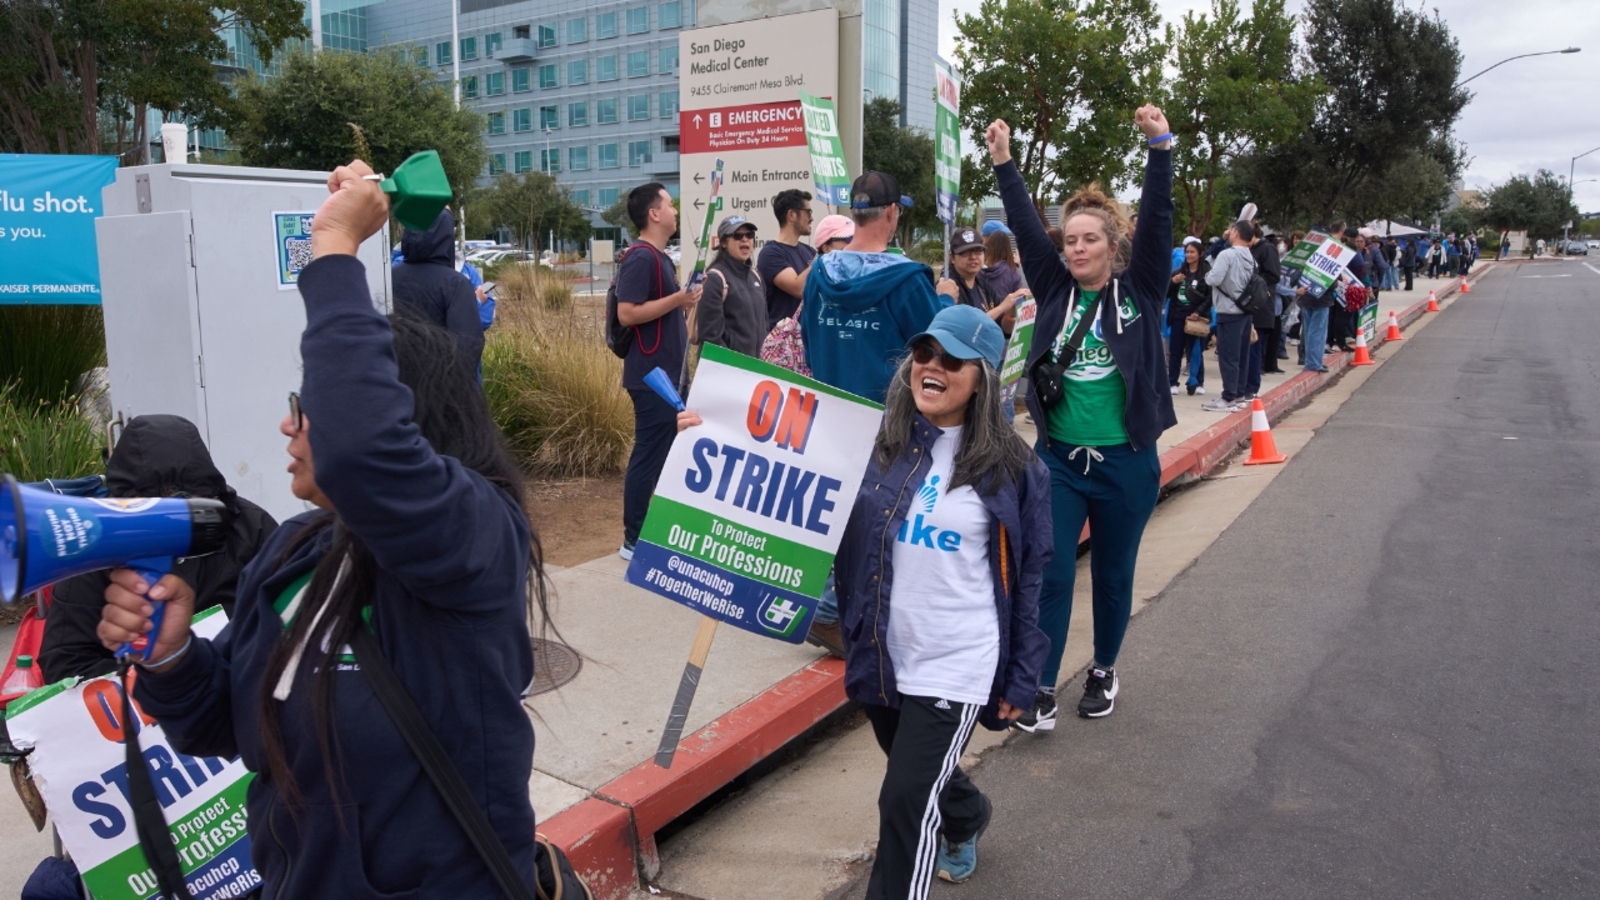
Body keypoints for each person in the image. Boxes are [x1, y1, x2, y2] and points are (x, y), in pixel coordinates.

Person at [97, 159, 549, 899]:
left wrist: (335, 249)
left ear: (404, 417)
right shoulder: (291, 550)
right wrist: (175, 657)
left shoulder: (475, 539)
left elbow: (361, 448)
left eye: (306, 407)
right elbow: (233, 725)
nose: (289, 425)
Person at [832, 305, 1051, 894]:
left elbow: (1031, 576)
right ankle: (966, 813)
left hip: (957, 661)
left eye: (951, 360)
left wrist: (1024, 672)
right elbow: (787, 479)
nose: (932, 367)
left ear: (981, 377)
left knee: (903, 802)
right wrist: (711, 432)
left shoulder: (1015, 467)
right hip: (883, 652)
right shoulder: (876, 443)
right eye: (924, 354)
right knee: (916, 772)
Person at [987, 106, 1177, 726]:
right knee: (1050, 573)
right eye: (1069, 239)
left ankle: (1103, 668)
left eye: (1088, 238)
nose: (1075, 248)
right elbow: (1022, 221)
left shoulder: (1141, 288)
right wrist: (1003, 162)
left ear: (1111, 245)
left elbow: (1157, 222)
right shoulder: (1055, 288)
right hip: (1060, 463)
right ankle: (1041, 683)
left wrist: (1160, 148)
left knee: (1115, 575)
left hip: (1126, 464)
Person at [39, 415, 277, 682]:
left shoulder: (251, 528)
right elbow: (65, 662)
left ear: (212, 496)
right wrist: (156, 676)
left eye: (191, 511)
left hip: (239, 694)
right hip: (132, 712)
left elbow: (290, 626)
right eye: (158, 515)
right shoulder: (95, 542)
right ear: (129, 508)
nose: (176, 527)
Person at [800, 171, 949, 406]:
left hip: (828, 419)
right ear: (891, 211)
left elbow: (809, 352)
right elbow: (938, 349)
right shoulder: (908, 280)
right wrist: (947, 300)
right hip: (888, 421)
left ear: (853, 213)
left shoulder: (818, 275)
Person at [616, 182, 701, 560]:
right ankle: (633, 538)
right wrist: (677, 299)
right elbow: (627, 313)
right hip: (652, 376)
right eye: (669, 204)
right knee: (649, 454)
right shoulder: (641, 258)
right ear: (654, 214)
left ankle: (650, 530)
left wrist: (685, 303)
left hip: (667, 374)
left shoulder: (660, 257)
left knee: (664, 454)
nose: (675, 210)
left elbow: (662, 312)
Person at [392, 208, 484, 370]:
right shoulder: (455, 283)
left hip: (395, 381)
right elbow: (468, 345)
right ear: (446, 236)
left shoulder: (389, 277)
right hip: (439, 384)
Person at [1203, 220, 1260, 411]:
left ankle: (1228, 397)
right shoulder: (1251, 258)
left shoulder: (1227, 255)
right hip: (1245, 312)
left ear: (1235, 232)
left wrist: (1208, 276)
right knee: (1242, 355)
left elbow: (1214, 278)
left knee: (1228, 356)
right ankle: (1239, 394)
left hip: (1228, 311)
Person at [694, 216, 767, 357]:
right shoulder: (714, 279)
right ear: (723, 243)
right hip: (729, 372)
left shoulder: (756, 276)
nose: (745, 239)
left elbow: (764, 325)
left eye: (749, 234)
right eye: (737, 235)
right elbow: (710, 338)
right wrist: (734, 367)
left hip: (756, 370)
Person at [757, 188, 817, 332]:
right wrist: (823, 256)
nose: (811, 218)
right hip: (783, 347)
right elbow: (798, 288)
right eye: (808, 212)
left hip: (807, 342)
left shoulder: (809, 252)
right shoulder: (770, 253)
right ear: (791, 215)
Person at [1167, 239, 1210, 396]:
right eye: (1187, 252)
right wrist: (1172, 282)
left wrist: (1198, 312)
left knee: (1195, 351)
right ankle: (1172, 382)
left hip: (1196, 319)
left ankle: (1197, 381)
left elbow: (1209, 297)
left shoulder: (1206, 274)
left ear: (1200, 254)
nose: (1189, 255)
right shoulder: (1178, 272)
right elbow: (1165, 294)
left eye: (1192, 252)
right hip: (1178, 316)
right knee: (1176, 351)